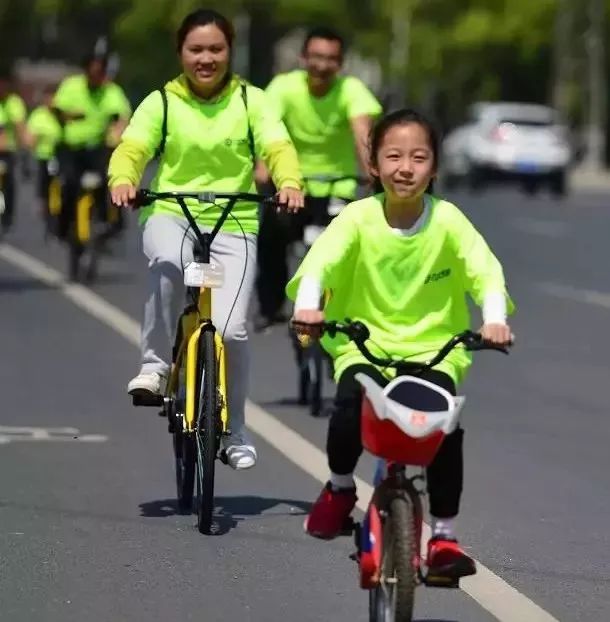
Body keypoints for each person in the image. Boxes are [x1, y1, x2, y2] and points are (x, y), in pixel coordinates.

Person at [288, 108, 514, 579]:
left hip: (434, 350)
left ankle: (445, 535)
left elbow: (485, 272)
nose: (405, 168)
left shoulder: (449, 220)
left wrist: (493, 319)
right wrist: (309, 308)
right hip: (363, 345)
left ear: (433, 167)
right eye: (393, 156)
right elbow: (319, 266)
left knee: (444, 430)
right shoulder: (357, 217)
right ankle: (339, 486)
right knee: (349, 407)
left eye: (418, 157)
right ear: (373, 163)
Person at [109, 9, 304, 470]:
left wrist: (289, 181)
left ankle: (235, 432)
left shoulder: (250, 101)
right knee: (168, 269)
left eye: (216, 49)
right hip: (171, 212)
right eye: (196, 49)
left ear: (229, 51)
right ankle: (156, 367)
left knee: (233, 329)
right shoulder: (162, 101)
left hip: (235, 219)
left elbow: (277, 146)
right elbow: (134, 146)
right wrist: (124, 178)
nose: (206, 58)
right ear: (181, 52)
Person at [254, 26, 382, 331]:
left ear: (340, 64)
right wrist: (262, 167)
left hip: (339, 185)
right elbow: (267, 130)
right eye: (316, 57)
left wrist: (374, 174)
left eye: (330, 59)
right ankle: (271, 307)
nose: (322, 66)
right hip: (292, 186)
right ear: (303, 58)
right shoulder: (284, 88)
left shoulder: (352, 91)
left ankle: (346, 308)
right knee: (271, 236)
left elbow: (363, 134)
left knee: (350, 246)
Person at [53, 53, 131, 244]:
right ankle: (63, 225)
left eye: (100, 73)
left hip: (97, 147)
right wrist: (69, 116)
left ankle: (105, 221)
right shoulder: (71, 86)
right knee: (69, 183)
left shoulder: (112, 91)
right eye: (92, 72)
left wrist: (118, 133)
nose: (96, 78)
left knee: (109, 179)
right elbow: (57, 109)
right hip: (70, 148)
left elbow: (121, 116)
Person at [26, 83, 63, 231]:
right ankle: (44, 206)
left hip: (60, 156)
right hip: (44, 157)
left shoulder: (62, 114)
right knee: (44, 185)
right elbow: (30, 138)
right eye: (49, 98)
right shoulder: (38, 115)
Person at [0, 69, 29, 233]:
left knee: (9, 182)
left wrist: (24, 150)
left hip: (6, 152)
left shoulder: (13, 103)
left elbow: (20, 127)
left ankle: (7, 216)